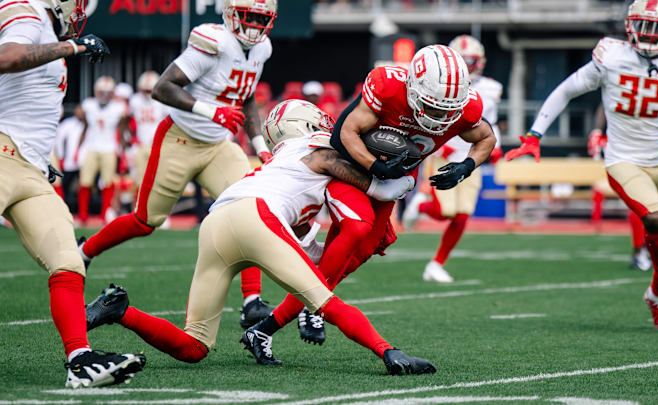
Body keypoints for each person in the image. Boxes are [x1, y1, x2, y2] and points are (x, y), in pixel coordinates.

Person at [85, 100, 435, 375]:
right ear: (308, 123)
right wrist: (403, 183)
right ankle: (388, 352)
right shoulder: (318, 147)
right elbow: (376, 186)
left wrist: (337, 253)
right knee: (325, 302)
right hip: (257, 217)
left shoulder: (282, 159)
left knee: (193, 347)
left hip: (218, 223)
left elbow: (299, 242)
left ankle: (120, 310)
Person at [270, 45, 496, 341]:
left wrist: (466, 165)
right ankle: (310, 304)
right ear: (414, 87)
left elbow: (486, 137)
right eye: (433, 105)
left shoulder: (466, 107)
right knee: (354, 229)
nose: (440, 115)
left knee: (363, 249)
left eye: (447, 109)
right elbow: (343, 133)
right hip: (355, 168)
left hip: (396, 179)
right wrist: (376, 165)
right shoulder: (388, 87)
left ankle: (306, 299)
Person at [78, 0, 277, 328]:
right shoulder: (213, 41)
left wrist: (260, 146)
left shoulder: (261, 49)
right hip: (180, 139)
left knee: (250, 207)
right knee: (146, 220)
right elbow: (163, 88)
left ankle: (251, 301)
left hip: (217, 145)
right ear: (231, 13)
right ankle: (86, 250)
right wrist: (212, 111)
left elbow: (247, 96)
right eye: (249, 16)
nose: (255, 25)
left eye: (262, 18)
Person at [505, 0, 658, 330]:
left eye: (657, 28)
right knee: (654, 217)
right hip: (623, 158)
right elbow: (566, 90)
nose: (649, 35)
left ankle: (654, 293)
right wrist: (535, 134)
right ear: (629, 26)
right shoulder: (611, 56)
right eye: (643, 26)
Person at [0, 0, 145, 387]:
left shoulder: (46, 30)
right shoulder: (26, 12)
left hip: (29, 168)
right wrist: (72, 48)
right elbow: (8, 57)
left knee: (67, 259)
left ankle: (79, 361)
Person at [402, 35, 504, 283]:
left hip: (471, 157)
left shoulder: (492, 88)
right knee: (446, 210)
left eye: (474, 60)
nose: (470, 65)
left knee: (462, 215)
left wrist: (495, 145)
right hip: (444, 153)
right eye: (465, 60)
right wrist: (439, 146)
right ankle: (421, 206)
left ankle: (436, 264)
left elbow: (490, 123)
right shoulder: (439, 84)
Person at [587, 106, 651, 272]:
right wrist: (596, 132)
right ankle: (640, 251)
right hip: (627, 152)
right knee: (639, 204)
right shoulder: (619, 94)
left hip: (649, 148)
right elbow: (604, 104)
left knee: (652, 206)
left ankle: (646, 250)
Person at [77, 76, 129, 224]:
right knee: (85, 181)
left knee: (107, 183)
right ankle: (83, 217)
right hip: (91, 147)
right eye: (102, 92)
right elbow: (83, 124)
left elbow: (122, 129)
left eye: (108, 92)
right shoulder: (89, 104)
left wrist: (124, 151)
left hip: (109, 148)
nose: (104, 95)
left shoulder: (119, 107)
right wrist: (78, 148)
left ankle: (104, 216)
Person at [128, 71, 170, 186]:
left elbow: (170, 122)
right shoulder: (135, 100)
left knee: (158, 179)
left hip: (157, 145)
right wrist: (131, 137)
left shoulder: (163, 100)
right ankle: (138, 204)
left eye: (149, 90)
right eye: (145, 90)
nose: (147, 93)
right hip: (140, 145)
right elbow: (126, 120)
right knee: (139, 180)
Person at [55, 105, 86, 213]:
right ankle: (62, 210)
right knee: (65, 186)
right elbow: (59, 140)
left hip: (84, 161)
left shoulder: (89, 124)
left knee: (84, 187)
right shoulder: (68, 123)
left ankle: (83, 214)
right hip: (70, 161)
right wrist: (61, 157)